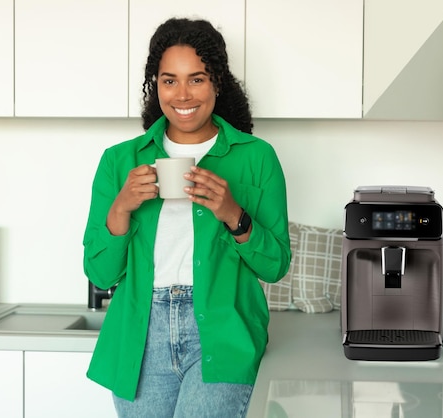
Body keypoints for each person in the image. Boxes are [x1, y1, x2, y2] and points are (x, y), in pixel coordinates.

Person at [82, 17, 291, 418]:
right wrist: (121, 206)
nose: (182, 94)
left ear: (217, 83)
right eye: (169, 80)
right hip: (140, 336)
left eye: (196, 79)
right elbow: (100, 273)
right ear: (154, 85)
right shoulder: (120, 161)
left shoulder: (255, 157)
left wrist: (233, 214)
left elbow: (276, 265)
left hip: (223, 330)